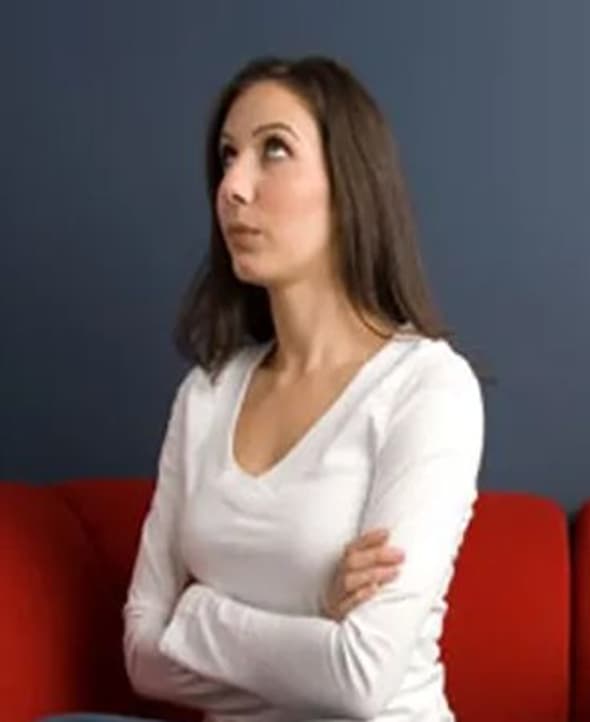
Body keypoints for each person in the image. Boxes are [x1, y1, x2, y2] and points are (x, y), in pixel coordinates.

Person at [58, 56, 483, 722]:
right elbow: (142, 654)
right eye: (228, 156)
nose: (232, 186)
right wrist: (316, 611)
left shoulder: (427, 387)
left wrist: (198, 615)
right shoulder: (206, 395)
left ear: (349, 184)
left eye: (274, 149)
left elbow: (358, 678)